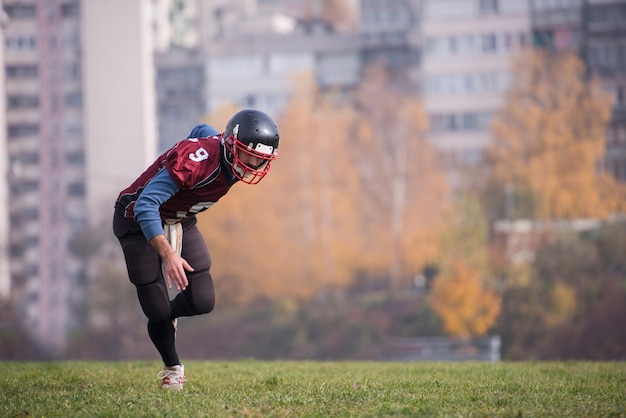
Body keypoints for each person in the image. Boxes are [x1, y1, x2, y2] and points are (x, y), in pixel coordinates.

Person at [113, 109, 279, 390]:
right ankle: (172, 368)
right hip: (135, 221)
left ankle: (169, 315)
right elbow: (144, 206)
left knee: (202, 301)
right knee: (156, 308)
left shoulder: (224, 147)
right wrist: (168, 255)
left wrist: (193, 145)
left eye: (259, 160)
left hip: (179, 217)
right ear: (231, 145)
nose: (252, 165)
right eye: (248, 156)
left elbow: (202, 129)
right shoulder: (197, 164)